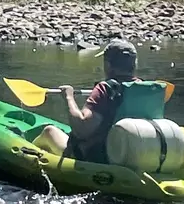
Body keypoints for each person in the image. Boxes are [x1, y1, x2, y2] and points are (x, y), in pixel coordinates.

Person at [32, 40, 170, 163]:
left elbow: (81, 129)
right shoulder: (145, 89)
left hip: (97, 159)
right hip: (135, 156)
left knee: (49, 131)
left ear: (108, 65)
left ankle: (26, 155)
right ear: (134, 64)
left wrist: (68, 96)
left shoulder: (106, 89)